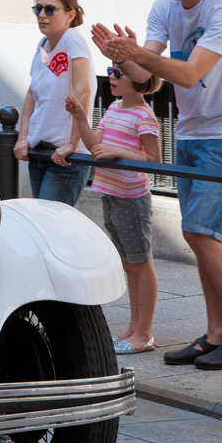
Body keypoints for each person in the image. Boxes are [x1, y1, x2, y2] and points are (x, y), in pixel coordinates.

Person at [91, 0, 222, 371]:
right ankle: (216, 333)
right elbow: (146, 78)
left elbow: (187, 74)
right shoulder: (163, 8)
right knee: (202, 235)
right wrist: (119, 55)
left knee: (201, 233)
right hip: (189, 132)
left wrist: (137, 57)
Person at [66, 66, 163, 353]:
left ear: (139, 79)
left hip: (132, 198)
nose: (111, 76)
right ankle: (133, 329)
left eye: (118, 72)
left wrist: (119, 152)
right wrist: (81, 118)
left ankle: (143, 333)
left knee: (141, 263)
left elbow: (155, 159)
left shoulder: (144, 116)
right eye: (110, 70)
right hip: (110, 194)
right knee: (130, 264)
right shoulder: (113, 108)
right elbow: (96, 146)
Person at [14, 0, 94, 204]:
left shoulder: (72, 39)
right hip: (41, 153)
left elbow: (83, 91)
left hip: (65, 158)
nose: (42, 15)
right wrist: (23, 138)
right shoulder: (43, 43)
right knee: (41, 226)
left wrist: (72, 144)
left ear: (70, 14)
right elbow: (33, 93)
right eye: (37, 8)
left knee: (51, 226)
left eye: (50, 9)